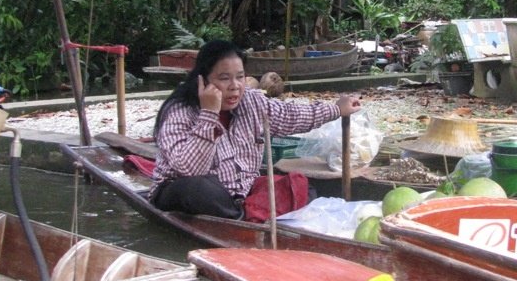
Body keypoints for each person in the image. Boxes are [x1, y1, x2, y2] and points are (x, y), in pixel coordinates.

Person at [150, 40, 362, 218]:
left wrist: (336, 109)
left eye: (240, 77)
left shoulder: (251, 102)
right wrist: (209, 114)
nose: (235, 86)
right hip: (185, 192)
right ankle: (242, 218)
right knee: (196, 189)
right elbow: (189, 170)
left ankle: (241, 212)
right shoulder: (179, 111)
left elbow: (290, 116)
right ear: (203, 80)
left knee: (301, 186)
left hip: (237, 193)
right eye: (224, 78)